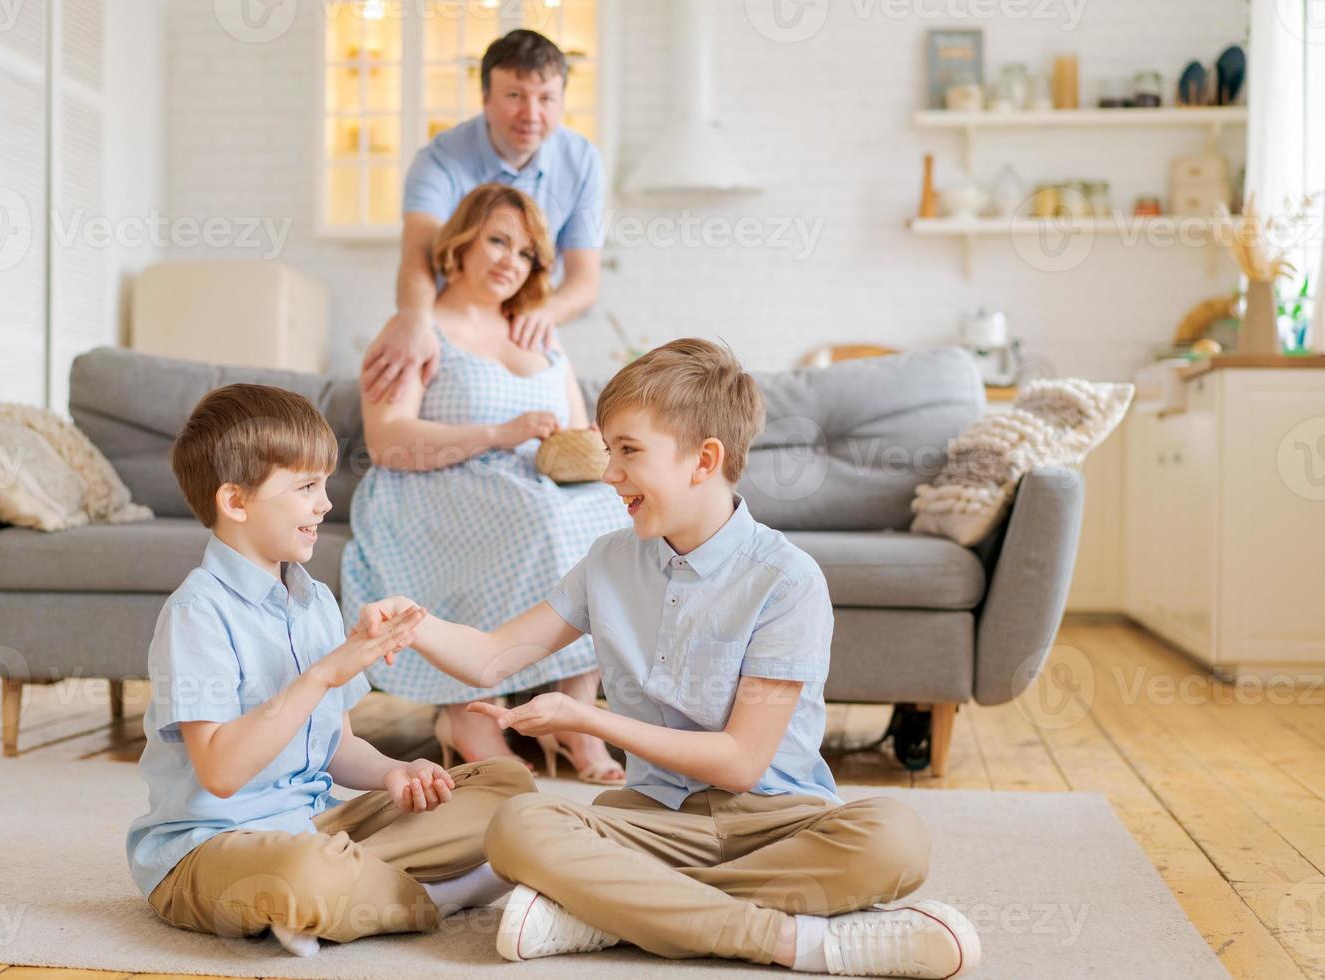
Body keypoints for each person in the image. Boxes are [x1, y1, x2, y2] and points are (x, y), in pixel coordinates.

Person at [352, 340, 982, 977]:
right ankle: (792, 941)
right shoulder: (608, 561)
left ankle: (609, 911)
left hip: (778, 823)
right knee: (519, 827)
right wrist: (416, 622)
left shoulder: (786, 579)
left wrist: (588, 720)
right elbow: (493, 659)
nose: (608, 474)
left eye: (628, 452)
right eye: (608, 452)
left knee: (895, 840)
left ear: (703, 460)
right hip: (652, 822)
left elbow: (739, 763)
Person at [125, 383, 536, 958]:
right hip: (209, 848)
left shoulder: (313, 598)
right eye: (306, 487)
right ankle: (430, 898)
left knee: (506, 790)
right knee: (302, 872)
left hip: (315, 829)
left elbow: (337, 746)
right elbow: (220, 771)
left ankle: (341, 902)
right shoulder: (197, 614)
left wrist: (398, 772)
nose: (324, 504)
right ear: (236, 502)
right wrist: (322, 674)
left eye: (323, 485)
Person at [342, 183, 629, 784]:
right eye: (498, 240)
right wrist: (501, 433)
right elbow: (388, 440)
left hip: (539, 485)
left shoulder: (537, 331)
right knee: (543, 519)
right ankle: (467, 715)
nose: (509, 261)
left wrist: (596, 440)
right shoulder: (419, 329)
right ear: (462, 240)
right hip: (439, 484)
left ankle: (577, 714)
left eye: (525, 253)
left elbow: (577, 431)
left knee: (621, 521)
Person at [363, 28, 604, 404]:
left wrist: (544, 313)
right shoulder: (439, 160)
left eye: (546, 99)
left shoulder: (584, 161)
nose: (531, 114)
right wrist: (414, 320)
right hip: (451, 329)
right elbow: (418, 255)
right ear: (486, 99)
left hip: (524, 322)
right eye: (514, 96)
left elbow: (584, 280)